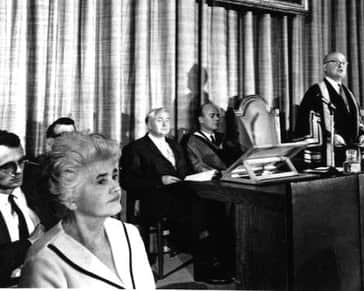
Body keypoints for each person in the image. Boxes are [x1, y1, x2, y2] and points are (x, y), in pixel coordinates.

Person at [20, 132, 155, 288]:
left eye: (114, 176)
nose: (116, 188)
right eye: (101, 181)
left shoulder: (129, 233)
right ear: (70, 196)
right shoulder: (44, 259)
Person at [120, 107, 231, 283]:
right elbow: (127, 181)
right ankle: (204, 271)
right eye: (159, 120)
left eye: (167, 120)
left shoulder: (175, 145)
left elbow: (185, 172)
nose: (165, 124)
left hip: (180, 195)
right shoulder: (136, 148)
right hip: (154, 200)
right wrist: (159, 180)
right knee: (200, 209)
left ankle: (220, 263)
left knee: (214, 204)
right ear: (148, 124)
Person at [295, 51, 364, 166]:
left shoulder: (349, 94)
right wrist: (330, 136)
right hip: (327, 155)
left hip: (350, 156)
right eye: (336, 62)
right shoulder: (316, 92)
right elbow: (306, 123)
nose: (341, 65)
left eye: (344, 63)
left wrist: (362, 136)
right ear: (325, 67)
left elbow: (359, 120)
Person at [0, 131, 45, 286]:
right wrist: (30, 242)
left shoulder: (35, 193)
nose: (18, 171)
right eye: (7, 166)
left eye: (21, 162)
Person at [185, 103, 241, 173]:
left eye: (218, 115)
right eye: (212, 116)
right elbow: (197, 166)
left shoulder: (223, 138)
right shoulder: (192, 142)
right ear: (201, 120)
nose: (217, 118)